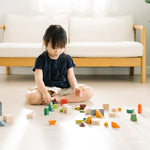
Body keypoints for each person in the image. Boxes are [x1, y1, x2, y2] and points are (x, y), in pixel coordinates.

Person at [25, 25, 93, 105]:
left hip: (65, 89)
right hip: (48, 89)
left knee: (89, 92)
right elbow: (39, 80)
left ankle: (59, 99)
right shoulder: (40, 59)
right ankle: (50, 97)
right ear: (45, 43)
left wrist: (75, 86)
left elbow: (71, 76)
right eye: (54, 48)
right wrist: (44, 93)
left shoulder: (67, 58)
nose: (57, 51)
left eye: (61, 47)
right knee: (32, 97)